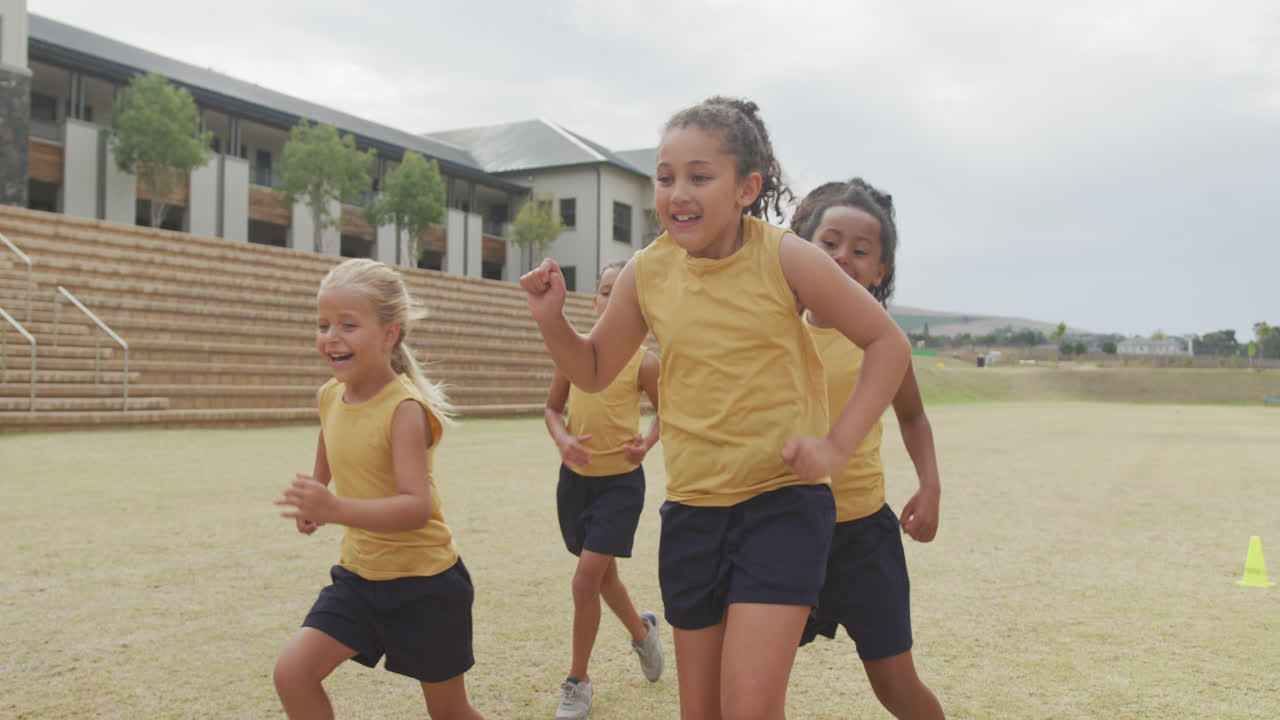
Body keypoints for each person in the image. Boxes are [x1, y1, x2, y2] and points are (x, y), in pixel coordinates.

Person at [520, 97, 911, 720]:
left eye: (700, 176)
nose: (678, 192)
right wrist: (552, 323)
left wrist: (836, 446)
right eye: (666, 175)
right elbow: (593, 369)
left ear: (746, 188)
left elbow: (888, 343)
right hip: (694, 514)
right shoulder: (646, 271)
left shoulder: (785, 257)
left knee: (749, 709)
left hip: (781, 506)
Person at [272, 258, 483, 720]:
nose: (331, 336)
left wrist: (333, 507)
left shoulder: (405, 409)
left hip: (426, 585)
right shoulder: (330, 393)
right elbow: (331, 434)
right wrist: (318, 490)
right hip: (360, 579)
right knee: (292, 674)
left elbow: (414, 508)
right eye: (323, 324)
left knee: (449, 711)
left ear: (390, 334)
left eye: (348, 325)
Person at [792, 179, 944, 719]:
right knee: (749, 679)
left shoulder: (881, 340)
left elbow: (913, 416)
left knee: (896, 688)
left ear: (881, 270)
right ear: (798, 246)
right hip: (782, 533)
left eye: (861, 251)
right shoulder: (774, 331)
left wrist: (930, 485)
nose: (841, 258)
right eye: (828, 242)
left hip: (862, 538)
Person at [545, 259, 665, 719]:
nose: (610, 299)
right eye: (603, 290)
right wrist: (563, 439)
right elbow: (553, 409)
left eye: (622, 293)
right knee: (604, 576)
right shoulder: (572, 355)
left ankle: (578, 680)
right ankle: (642, 634)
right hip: (576, 485)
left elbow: (664, 412)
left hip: (621, 486)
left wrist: (647, 441)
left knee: (585, 579)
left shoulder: (646, 362)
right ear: (593, 300)